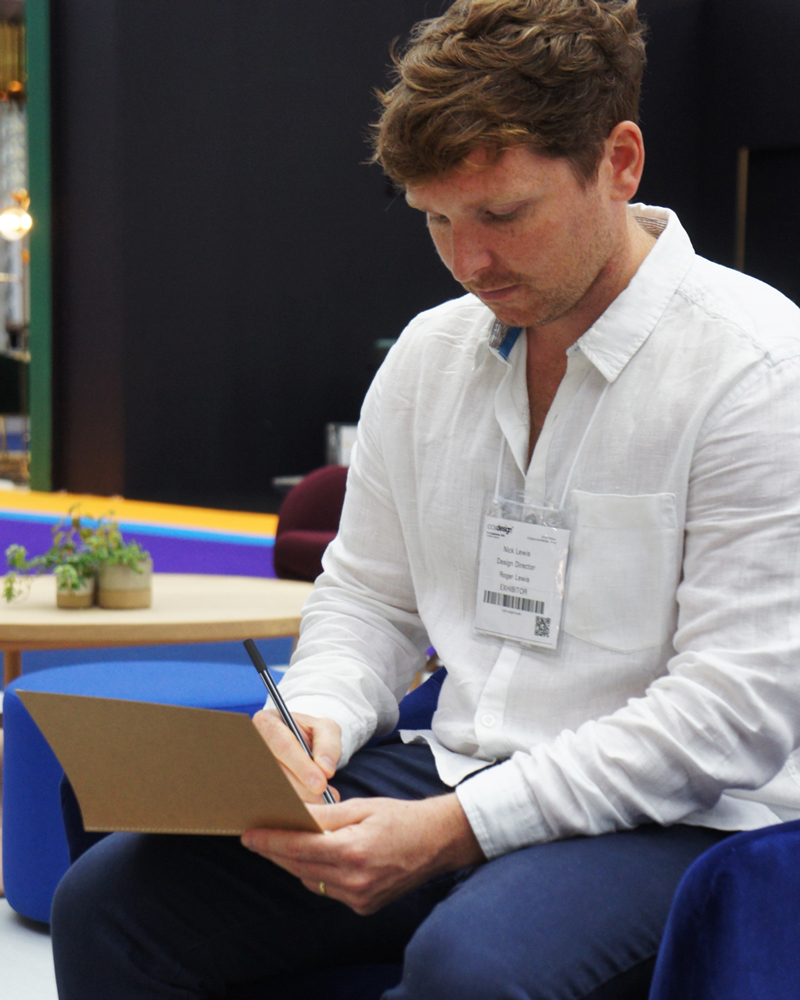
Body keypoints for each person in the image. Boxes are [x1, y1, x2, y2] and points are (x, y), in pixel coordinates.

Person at [51, 1, 800, 998]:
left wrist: (457, 831)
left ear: (618, 162)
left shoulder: (754, 370)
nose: (468, 261)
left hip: (682, 816)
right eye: (437, 220)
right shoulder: (429, 355)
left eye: (503, 214)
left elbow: (729, 711)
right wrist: (316, 714)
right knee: (112, 904)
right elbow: (370, 597)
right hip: (456, 764)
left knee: (471, 969)